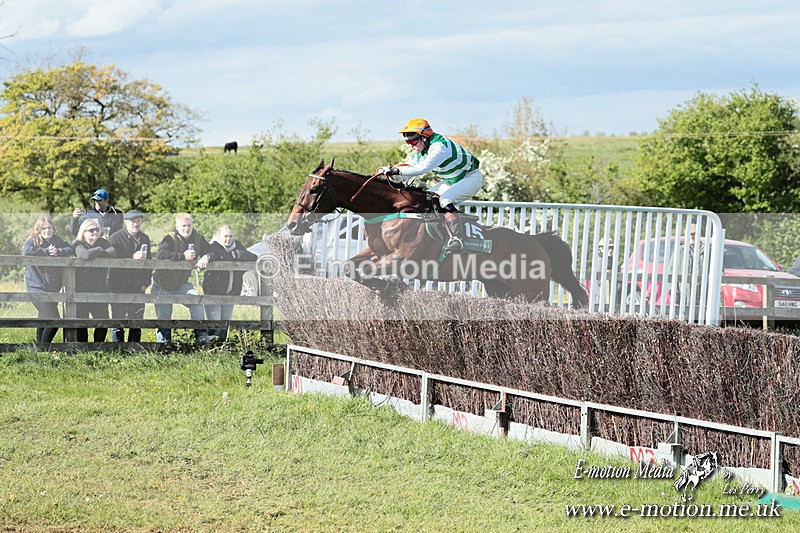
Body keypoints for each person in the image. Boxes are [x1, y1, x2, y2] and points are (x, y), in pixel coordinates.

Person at [377, 118, 483, 252]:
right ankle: (438, 236)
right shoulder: (421, 151)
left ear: (424, 138)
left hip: (471, 178)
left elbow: (423, 168)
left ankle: (458, 238)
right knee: (426, 199)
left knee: (445, 200)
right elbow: (408, 172)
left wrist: (396, 171)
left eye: (413, 141)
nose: (410, 145)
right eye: (408, 142)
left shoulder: (439, 147)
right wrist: (391, 175)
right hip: (451, 181)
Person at [151, 213, 217, 344]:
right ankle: (164, 345)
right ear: (177, 226)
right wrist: (182, 256)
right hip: (162, 284)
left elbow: (213, 251)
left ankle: (201, 336)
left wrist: (207, 257)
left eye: (189, 225)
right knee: (164, 315)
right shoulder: (170, 238)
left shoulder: (198, 238)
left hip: (181, 284)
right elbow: (161, 254)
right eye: (183, 226)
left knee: (196, 299)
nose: (186, 228)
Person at [21, 216, 74, 343]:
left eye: (49, 227)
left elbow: (70, 248)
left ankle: (39, 347)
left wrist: (58, 251)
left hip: (52, 288)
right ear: (38, 229)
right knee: (55, 320)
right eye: (44, 228)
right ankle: (44, 347)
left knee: (44, 317)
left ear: (53, 229)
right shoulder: (32, 240)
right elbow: (26, 252)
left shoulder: (56, 240)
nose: (47, 230)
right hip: (36, 287)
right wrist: (46, 251)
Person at [202, 224, 258, 342]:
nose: (228, 239)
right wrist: (227, 256)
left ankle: (223, 346)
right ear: (219, 236)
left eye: (230, 236)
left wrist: (237, 254)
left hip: (231, 291)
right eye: (225, 236)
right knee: (214, 321)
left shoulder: (237, 246)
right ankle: (210, 346)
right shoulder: (212, 246)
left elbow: (253, 256)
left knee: (226, 322)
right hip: (213, 292)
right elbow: (214, 254)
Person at [108, 210, 152, 343]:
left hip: (138, 285)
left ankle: (134, 347)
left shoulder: (144, 238)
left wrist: (145, 283)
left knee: (137, 320)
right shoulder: (115, 238)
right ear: (125, 222)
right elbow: (111, 260)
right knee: (118, 320)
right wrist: (132, 257)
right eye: (132, 221)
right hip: (118, 284)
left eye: (138, 221)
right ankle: (117, 348)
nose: (136, 224)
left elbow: (149, 263)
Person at [72, 219, 116, 343]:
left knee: (102, 321)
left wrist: (96, 252)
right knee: (82, 322)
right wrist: (99, 250)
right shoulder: (78, 244)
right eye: (91, 230)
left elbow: (113, 252)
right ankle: (83, 348)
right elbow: (84, 255)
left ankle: (98, 347)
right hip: (81, 289)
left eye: (97, 229)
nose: (95, 232)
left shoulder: (103, 242)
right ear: (83, 232)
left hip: (100, 288)